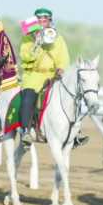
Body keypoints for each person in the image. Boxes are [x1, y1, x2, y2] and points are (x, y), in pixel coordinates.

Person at [19, 8, 70, 145]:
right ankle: (25, 131)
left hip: (52, 75)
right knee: (28, 96)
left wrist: (61, 68)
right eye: (39, 19)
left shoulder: (58, 38)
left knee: (70, 96)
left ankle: (74, 134)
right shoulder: (27, 37)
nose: (42, 22)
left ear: (50, 21)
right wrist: (37, 42)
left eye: (45, 19)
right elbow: (25, 57)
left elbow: (63, 57)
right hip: (34, 75)